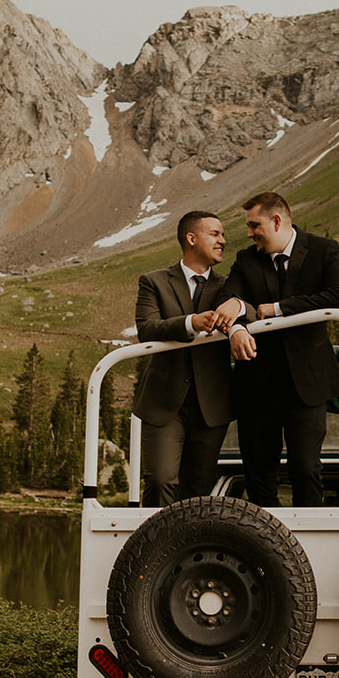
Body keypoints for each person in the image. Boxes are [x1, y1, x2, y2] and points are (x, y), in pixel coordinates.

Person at [223, 191, 339, 507]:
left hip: (307, 384)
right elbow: (229, 298)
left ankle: (307, 548)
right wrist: (236, 328)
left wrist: (279, 309)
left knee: (306, 469)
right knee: (259, 478)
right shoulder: (246, 259)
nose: (250, 233)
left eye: (255, 225)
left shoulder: (323, 250)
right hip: (256, 385)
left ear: (276, 220)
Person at [131, 211, 235, 504]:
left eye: (222, 235)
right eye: (215, 234)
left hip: (211, 406)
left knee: (197, 492)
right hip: (164, 402)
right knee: (160, 479)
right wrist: (190, 322)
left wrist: (237, 306)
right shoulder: (153, 281)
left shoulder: (229, 286)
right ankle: (154, 548)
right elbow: (147, 328)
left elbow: (249, 310)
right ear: (191, 238)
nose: (222, 241)